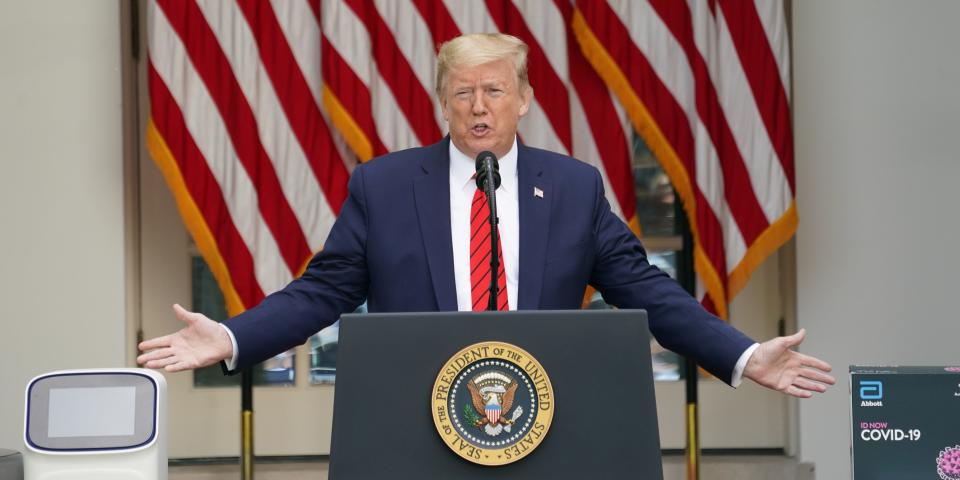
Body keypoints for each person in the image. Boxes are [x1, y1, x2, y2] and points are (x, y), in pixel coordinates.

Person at [138, 33, 834, 398]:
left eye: (494, 90)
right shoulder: (383, 187)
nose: (478, 106)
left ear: (523, 100)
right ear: (442, 101)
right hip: (415, 411)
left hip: (544, 409)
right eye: (463, 91)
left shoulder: (572, 187)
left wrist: (743, 355)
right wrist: (229, 340)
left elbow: (646, 291)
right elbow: (322, 292)